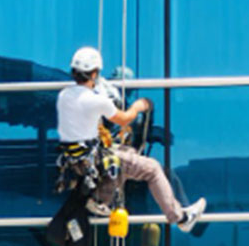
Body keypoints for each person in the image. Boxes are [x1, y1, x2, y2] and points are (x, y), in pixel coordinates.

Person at [57, 46, 205, 232]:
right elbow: (124, 118)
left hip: (76, 161)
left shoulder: (64, 95)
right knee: (152, 169)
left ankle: (102, 200)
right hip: (94, 161)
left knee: (128, 156)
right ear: (94, 74)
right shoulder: (97, 100)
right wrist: (139, 106)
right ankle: (181, 218)